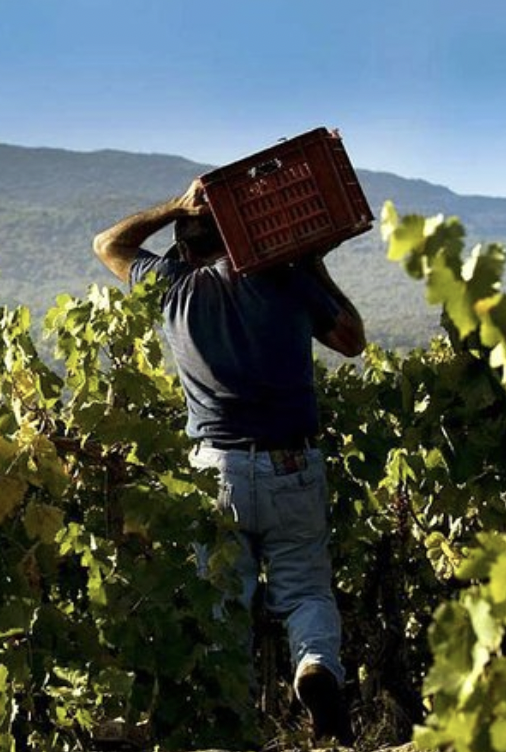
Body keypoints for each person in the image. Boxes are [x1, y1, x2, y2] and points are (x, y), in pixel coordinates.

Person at [92, 178, 365, 745]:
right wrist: (310, 264)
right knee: (307, 591)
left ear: (186, 249)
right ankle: (314, 668)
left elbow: (108, 245)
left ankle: (230, 728)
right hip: (293, 465)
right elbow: (351, 339)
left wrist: (172, 204)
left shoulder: (172, 287)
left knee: (222, 610)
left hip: (216, 470)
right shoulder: (286, 280)